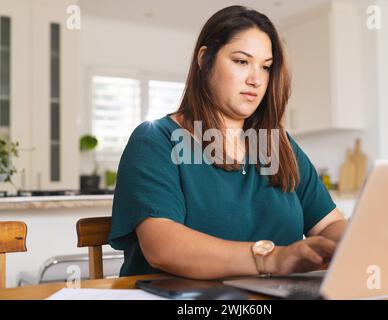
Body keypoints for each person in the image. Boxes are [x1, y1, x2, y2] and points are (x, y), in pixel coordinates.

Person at [109, 5, 347, 280]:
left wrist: (360, 243)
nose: (256, 79)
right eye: (241, 61)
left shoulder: (279, 146)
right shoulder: (155, 140)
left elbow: (329, 224)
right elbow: (163, 247)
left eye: (266, 67)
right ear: (204, 59)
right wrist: (274, 258)